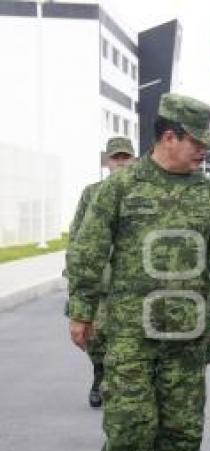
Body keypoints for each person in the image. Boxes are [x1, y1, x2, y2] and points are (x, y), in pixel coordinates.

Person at [66, 93, 210, 451]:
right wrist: (82, 310)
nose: (203, 150)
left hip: (188, 335)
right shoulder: (121, 188)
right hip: (128, 332)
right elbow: (88, 250)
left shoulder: (207, 195)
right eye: (197, 142)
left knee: (183, 427)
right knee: (127, 425)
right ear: (170, 137)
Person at [68, 136, 136, 408]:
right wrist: (75, 271)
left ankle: (124, 384)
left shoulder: (142, 193)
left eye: (125, 157)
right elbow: (77, 234)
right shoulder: (91, 192)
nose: (120, 162)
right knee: (95, 336)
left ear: (133, 160)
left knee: (128, 337)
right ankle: (99, 374)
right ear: (108, 161)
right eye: (115, 158)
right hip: (98, 278)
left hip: (130, 280)